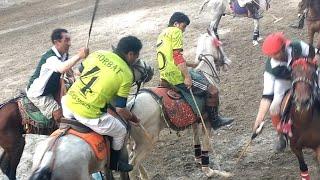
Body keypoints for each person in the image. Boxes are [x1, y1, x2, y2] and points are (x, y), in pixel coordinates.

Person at [61, 36, 144, 172]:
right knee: (121, 131)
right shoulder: (127, 74)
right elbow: (121, 109)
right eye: (136, 56)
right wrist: (133, 118)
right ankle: (115, 163)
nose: (135, 59)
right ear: (130, 54)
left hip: (68, 104)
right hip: (87, 115)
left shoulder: (98, 53)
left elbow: (78, 72)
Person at [156, 12, 234, 130]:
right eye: (183, 26)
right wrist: (186, 77)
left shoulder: (162, 34)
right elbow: (177, 56)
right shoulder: (176, 32)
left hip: (164, 75)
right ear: (176, 24)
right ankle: (215, 120)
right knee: (212, 90)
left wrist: (191, 64)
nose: (183, 30)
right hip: (177, 76)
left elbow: (169, 57)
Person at [252, 32, 313, 152]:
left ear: (284, 47)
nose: (274, 57)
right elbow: (267, 96)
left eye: (276, 53)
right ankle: (281, 135)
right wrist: (259, 118)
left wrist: (312, 64)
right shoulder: (270, 70)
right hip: (284, 81)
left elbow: (315, 53)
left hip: (305, 75)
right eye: (271, 55)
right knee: (274, 106)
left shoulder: (298, 46)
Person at [27, 28, 88, 123]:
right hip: (39, 93)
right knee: (60, 115)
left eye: (69, 40)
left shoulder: (63, 54)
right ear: (57, 42)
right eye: (66, 40)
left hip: (52, 87)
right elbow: (62, 68)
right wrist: (79, 56)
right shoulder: (50, 58)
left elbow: (68, 71)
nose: (70, 43)